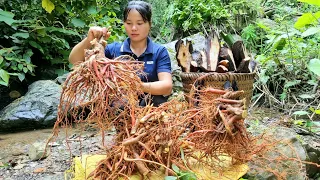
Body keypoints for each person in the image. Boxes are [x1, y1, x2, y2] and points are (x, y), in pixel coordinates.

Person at [69, 1, 173, 107]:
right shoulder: (113, 49)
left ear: (149, 24)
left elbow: (167, 86)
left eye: (139, 23)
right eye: (129, 23)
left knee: (156, 99)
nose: (134, 28)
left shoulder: (159, 51)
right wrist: (89, 39)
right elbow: (74, 60)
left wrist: (135, 85)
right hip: (119, 111)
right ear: (124, 23)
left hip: (150, 111)